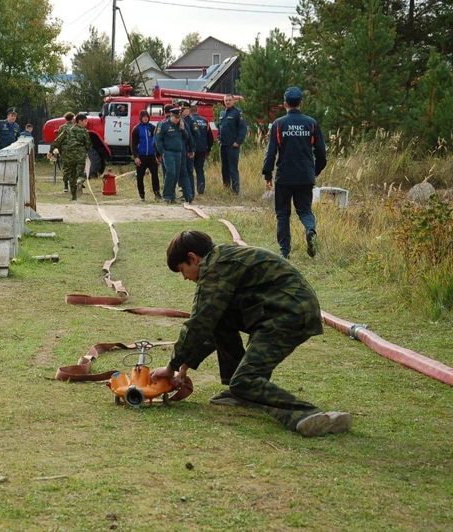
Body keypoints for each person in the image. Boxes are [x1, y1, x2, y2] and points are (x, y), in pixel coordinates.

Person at [149, 230, 352, 437]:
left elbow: (199, 321)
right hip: (279, 312)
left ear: (193, 258)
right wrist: (184, 365)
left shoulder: (215, 268)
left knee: (245, 381)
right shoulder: (222, 258)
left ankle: (311, 416)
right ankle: (239, 393)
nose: (184, 277)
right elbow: (211, 324)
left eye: (182, 270)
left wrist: (170, 366)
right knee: (220, 320)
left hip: (288, 315)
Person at [262, 87, 327, 259]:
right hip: (305, 175)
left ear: (285, 104)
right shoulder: (311, 123)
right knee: (305, 211)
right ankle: (310, 230)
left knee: (283, 214)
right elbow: (321, 151)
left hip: (284, 176)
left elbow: (271, 153)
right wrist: (315, 170)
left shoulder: (278, 125)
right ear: (301, 103)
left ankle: (285, 251)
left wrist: (267, 174)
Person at [48, 113, 90, 201]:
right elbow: (88, 145)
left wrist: (51, 151)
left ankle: (73, 197)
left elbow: (57, 140)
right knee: (81, 174)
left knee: (72, 176)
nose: (86, 123)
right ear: (80, 121)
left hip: (69, 156)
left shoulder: (67, 130)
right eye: (85, 121)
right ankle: (80, 181)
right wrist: (85, 151)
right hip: (80, 156)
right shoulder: (84, 131)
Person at [154, 106, 191, 204]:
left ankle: (172, 196)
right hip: (168, 152)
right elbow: (158, 139)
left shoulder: (180, 124)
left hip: (178, 152)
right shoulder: (164, 124)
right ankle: (166, 195)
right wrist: (162, 152)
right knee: (171, 172)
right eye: (176, 118)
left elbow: (186, 137)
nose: (177, 120)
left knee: (176, 174)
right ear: (171, 115)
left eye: (179, 118)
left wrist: (183, 129)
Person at [218, 94, 247, 195]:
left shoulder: (238, 113)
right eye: (226, 100)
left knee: (232, 168)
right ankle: (226, 189)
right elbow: (220, 127)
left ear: (233, 101)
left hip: (232, 146)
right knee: (224, 168)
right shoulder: (222, 113)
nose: (227, 102)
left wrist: (238, 142)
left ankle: (235, 191)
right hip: (223, 145)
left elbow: (243, 129)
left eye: (229, 100)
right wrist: (218, 138)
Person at [131, 109, 161, 202]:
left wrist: (158, 155)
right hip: (141, 157)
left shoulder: (152, 128)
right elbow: (133, 144)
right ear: (140, 118)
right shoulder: (136, 129)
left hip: (152, 156)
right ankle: (142, 195)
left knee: (155, 176)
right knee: (140, 177)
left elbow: (157, 142)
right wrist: (136, 157)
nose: (145, 118)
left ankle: (157, 194)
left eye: (146, 117)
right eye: (143, 117)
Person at [189, 104, 214, 195]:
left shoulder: (189, 120)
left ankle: (190, 190)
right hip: (202, 149)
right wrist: (208, 150)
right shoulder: (205, 121)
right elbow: (210, 137)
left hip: (191, 149)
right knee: (200, 169)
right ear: (197, 110)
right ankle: (201, 189)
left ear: (189, 111)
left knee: (189, 170)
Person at [177, 102, 196, 203]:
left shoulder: (191, 121)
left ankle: (190, 193)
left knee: (188, 172)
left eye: (184, 110)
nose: (182, 112)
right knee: (183, 172)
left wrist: (191, 149)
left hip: (189, 150)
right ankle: (185, 192)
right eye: (181, 110)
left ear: (189, 110)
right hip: (183, 150)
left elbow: (195, 137)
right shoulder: (181, 120)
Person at [56, 112, 75, 192]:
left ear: (65, 118)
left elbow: (59, 140)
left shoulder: (62, 128)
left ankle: (65, 186)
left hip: (64, 149)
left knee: (66, 167)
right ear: (73, 118)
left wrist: (59, 151)